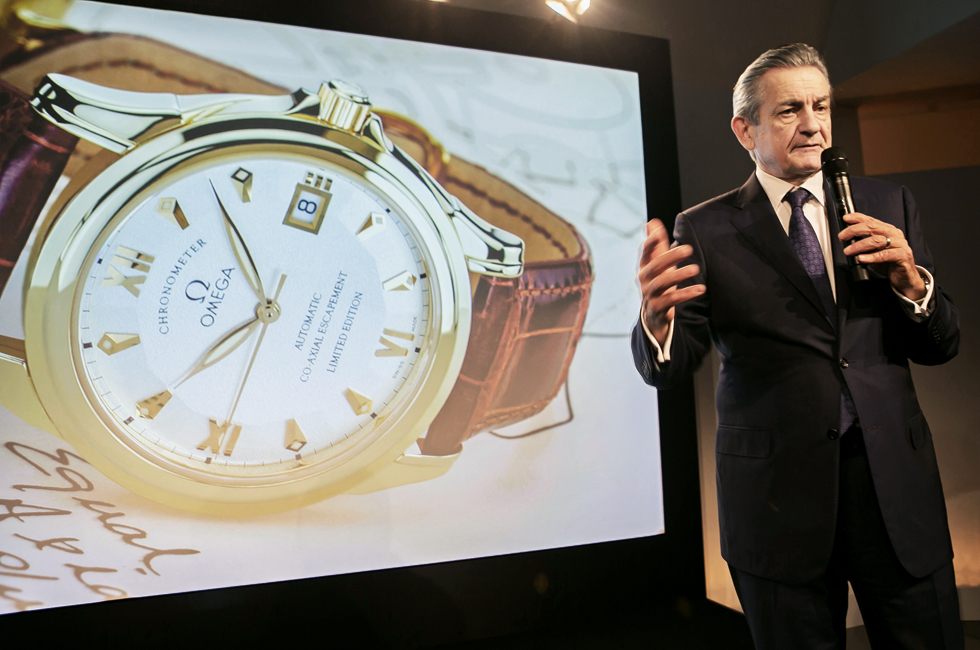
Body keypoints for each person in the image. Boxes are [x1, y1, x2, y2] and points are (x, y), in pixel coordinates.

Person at [632, 44, 963, 649]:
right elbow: (673, 369)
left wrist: (914, 286)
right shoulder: (704, 228)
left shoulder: (888, 205)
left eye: (822, 106)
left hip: (894, 489)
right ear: (745, 130)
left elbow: (941, 345)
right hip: (776, 504)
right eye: (790, 110)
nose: (813, 125)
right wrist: (656, 323)